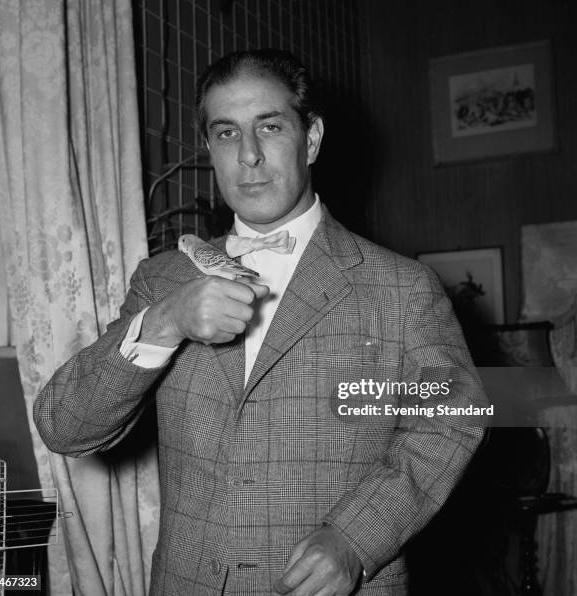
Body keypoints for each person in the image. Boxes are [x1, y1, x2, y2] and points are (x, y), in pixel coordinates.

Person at [35, 49, 486, 596]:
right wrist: (166, 322)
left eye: (269, 127)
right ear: (209, 148)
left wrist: (356, 540)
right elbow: (64, 425)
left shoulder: (401, 286)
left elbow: (454, 418)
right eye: (226, 133)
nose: (248, 155)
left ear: (312, 138)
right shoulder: (162, 280)